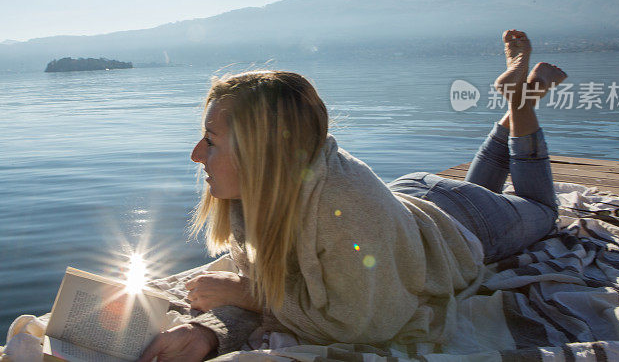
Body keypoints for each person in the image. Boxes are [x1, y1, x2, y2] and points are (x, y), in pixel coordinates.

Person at [138, 30, 567, 362]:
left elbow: (365, 323)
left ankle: (523, 105)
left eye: (211, 140)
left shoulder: (342, 207)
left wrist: (245, 293)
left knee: (546, 212)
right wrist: (207, 332)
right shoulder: (255, 198)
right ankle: (519, 101)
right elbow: (277, 286)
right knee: (482, 191)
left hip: (466, 223)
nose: (197, 155)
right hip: (415, 206)